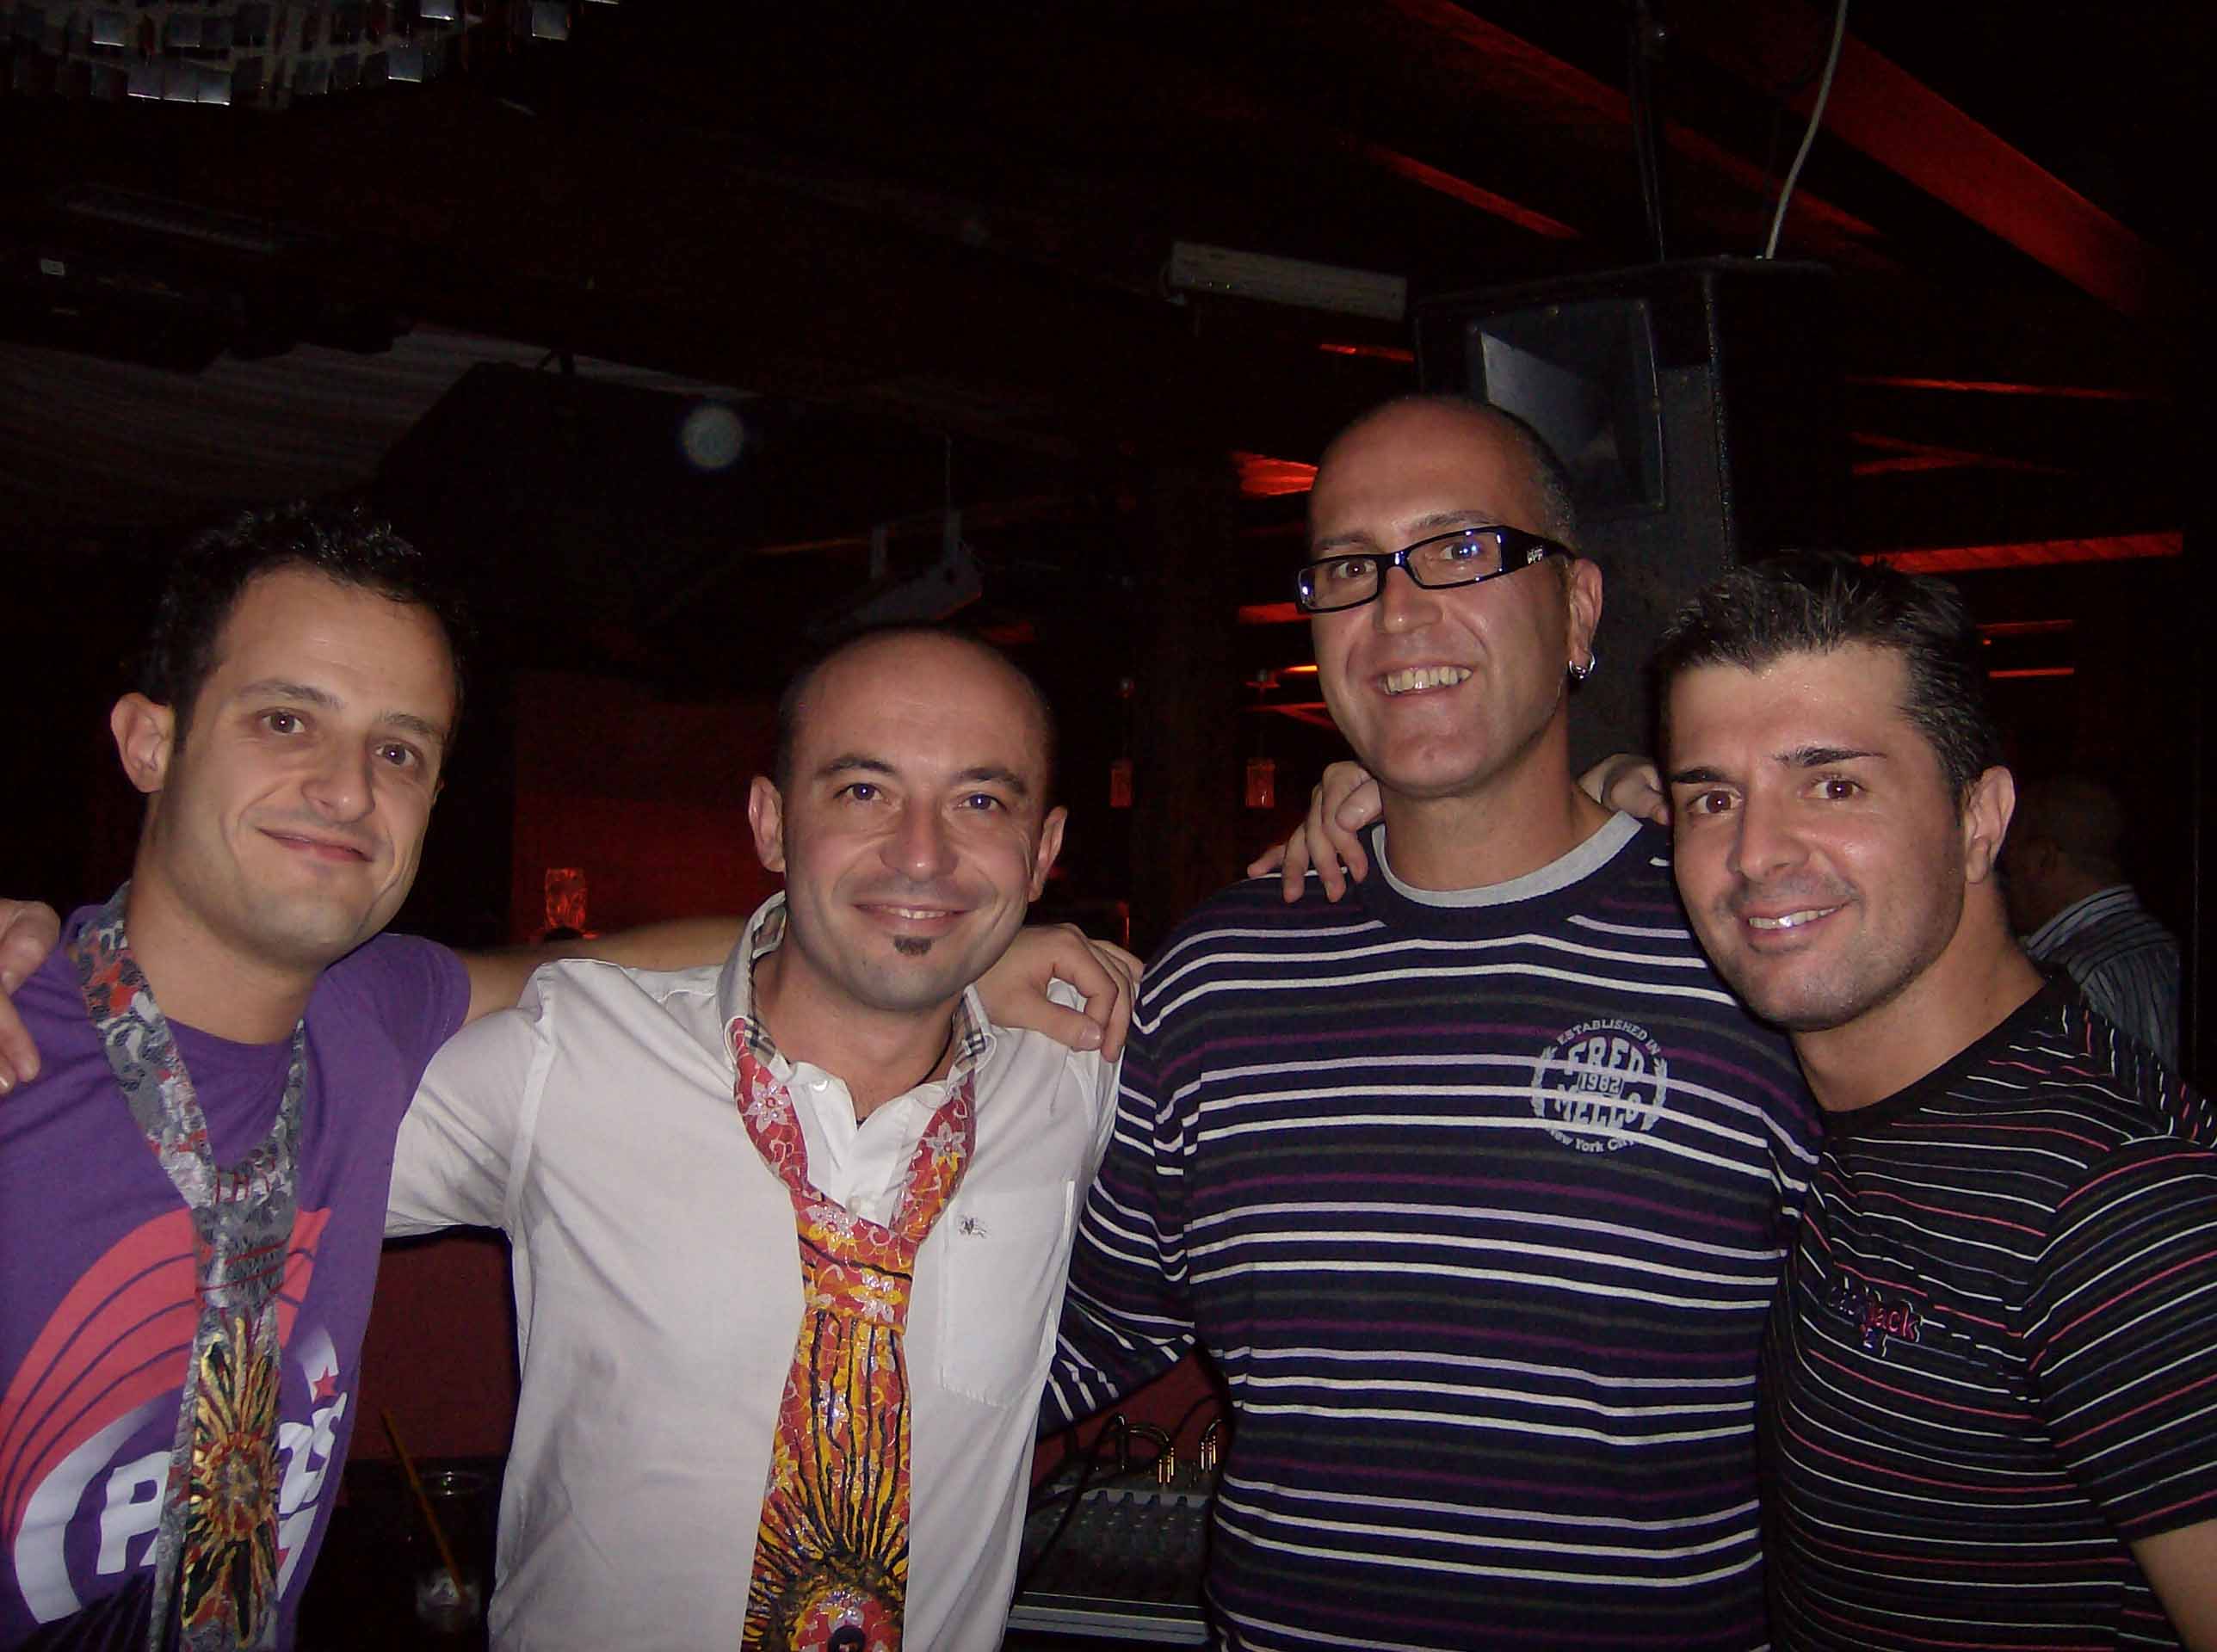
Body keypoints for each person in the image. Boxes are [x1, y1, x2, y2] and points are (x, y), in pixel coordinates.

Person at [0, 515, 1129, 1650]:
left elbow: (576, 962)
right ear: (148, 742)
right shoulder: (546, 1062)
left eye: (398, 751)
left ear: (1042, 852)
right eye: (285, 720)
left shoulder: (1083, 1072)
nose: (343, 790)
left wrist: (960, 949)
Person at [1043, 395, 1819, 1650]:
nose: (1398, 611)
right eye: (1351, 567)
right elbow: (1095, 1328)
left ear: (1577, 610)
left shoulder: (1744, 958)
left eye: (1461, 549)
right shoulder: (1221, 977)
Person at [382, 627, 1122, 1650]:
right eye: (862, 791)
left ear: (1041, 852)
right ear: (771, 824)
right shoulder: (571, 1058)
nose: (921, 853)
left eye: (980, 803)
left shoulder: (1080, 1072)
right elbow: (259, 1141)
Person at [1652, 553, 2216, 1649]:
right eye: (1712, 799)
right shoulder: (1875, 1116)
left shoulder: (2121, 1211)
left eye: (1832, 785)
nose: (1753, 854)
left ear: (1978, 818)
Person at [2001, 772, 2182, 1069]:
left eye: (2008, 861)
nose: (2003, 883)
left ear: (2042, 859)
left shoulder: (2067, 977)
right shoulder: (2170, 949)